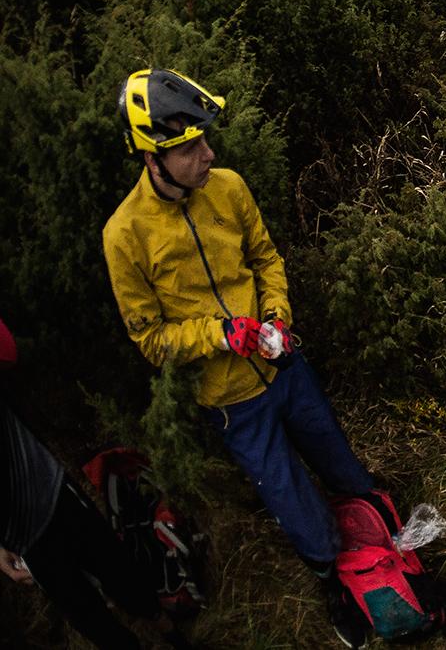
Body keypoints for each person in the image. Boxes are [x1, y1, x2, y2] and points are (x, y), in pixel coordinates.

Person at [101, 69, 375, 648]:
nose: (209, 152)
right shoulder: (124, 236)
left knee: (338, 459)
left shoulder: (228, 186)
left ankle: (380, 528)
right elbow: (151, 339)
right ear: (154, 158)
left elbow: (266, 257)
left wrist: (277, 318)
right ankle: (332, 581)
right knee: (290, 498)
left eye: (205, 138)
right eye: (191, 146)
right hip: (229, 402)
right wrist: (221, 334)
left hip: (284, 367)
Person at [2, 315, 174, 650]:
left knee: (121, 574)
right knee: (90, 620)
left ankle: (174, 635)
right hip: (22, 539)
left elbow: (7, 350)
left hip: (49, 492)